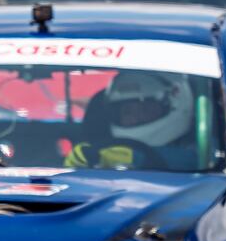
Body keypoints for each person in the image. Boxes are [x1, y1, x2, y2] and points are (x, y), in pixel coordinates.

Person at [65, 69, 201, 171]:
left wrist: (132, 156)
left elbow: (192, 160)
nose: (136, 116)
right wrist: (80, 160)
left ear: (173, 105)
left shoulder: (199, 140)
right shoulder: (102, 149)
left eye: (145, 109)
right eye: (127, 112)